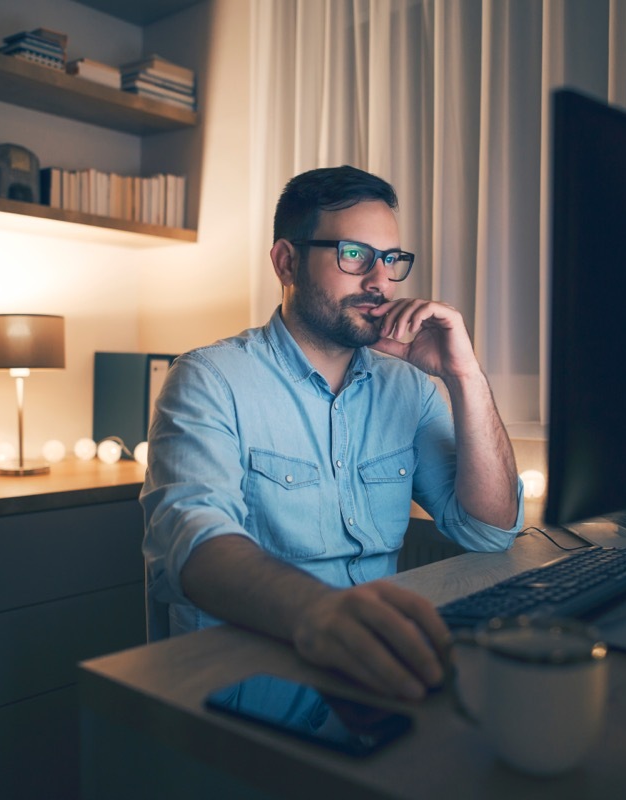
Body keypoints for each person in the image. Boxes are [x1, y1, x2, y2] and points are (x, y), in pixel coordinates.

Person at [141, 165, 523, 701]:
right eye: (354, 255)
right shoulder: (210, 379)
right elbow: (193, 546)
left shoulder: (407, 386)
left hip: (375, 681)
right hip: (247, 692)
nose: (380, 282)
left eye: (390, 259)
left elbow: (489, 531)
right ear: (286, 261)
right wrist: (325, 612)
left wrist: (465, 376)